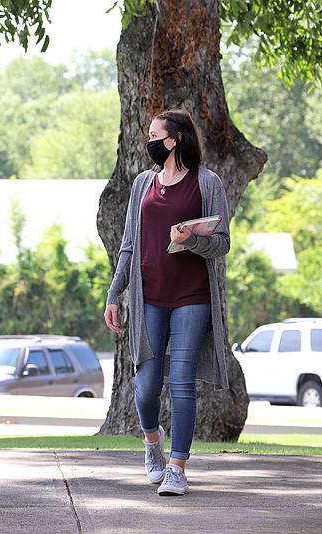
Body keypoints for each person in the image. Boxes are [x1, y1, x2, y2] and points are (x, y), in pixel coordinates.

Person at [103, 108, 230, 496]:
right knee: (145, 387)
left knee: (182, 382)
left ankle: (177, 467)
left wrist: (190, 239)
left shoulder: (207, 184)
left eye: (155, 135)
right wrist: (114, 293)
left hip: (192, 298)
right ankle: (152, 444)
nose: (150, 142)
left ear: (174, 139)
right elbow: (128, 246)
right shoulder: (143, 184)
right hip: (149, 299)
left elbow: (221, 244)